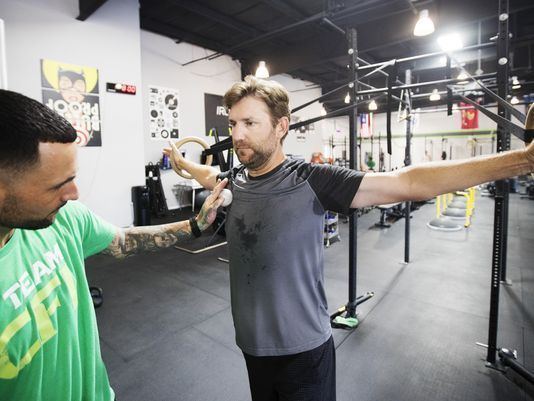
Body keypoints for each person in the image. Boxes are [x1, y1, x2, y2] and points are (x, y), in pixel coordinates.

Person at [165, 75, 534, 401]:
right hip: (251, 347)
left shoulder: (312, 179)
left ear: (281, 126)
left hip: (304, 353)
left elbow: (407, 182)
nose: (238, 134)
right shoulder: (236, 181)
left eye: (249, 122)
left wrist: (523, 161)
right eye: (232, 123)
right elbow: (207, 173)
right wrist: (181, 163)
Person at [0, 89, 227, 401]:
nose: (75, 194)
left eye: (72, 178)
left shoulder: (63, 218)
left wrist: (195, 225)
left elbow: (123, 241)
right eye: (58, 185)